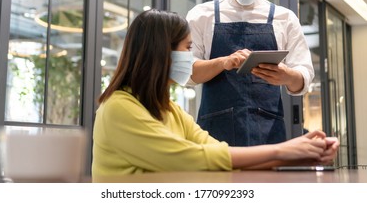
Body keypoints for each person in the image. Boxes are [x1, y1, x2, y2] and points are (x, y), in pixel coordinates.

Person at [91, 9, 338, 180]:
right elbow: (193, 159)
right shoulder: (118, 108)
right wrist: (283, 152)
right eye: (187, 49)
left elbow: (216, 153)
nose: (191, 57)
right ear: (160, 52)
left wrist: (301, 153)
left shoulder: (170, 110)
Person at [186, 0, 314, 146]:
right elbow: (186, 73)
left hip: (269, 132)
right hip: (214, 136)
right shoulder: (201, 15)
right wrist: (222, 62)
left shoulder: (285, 18)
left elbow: (304, 75)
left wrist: (287, 75)